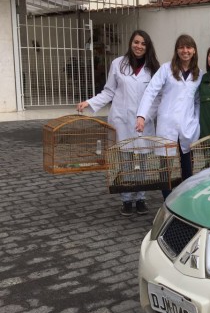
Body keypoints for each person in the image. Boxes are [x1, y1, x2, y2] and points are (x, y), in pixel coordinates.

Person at [76, 29, 160, 217]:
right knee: (126, 161)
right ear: (131, 43)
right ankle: (126, 200)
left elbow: (156, 98)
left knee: (144, 161)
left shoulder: (153, 68)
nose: (139, 46)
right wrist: (89, 102)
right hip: (122, 120)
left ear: (148, 47)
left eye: (143, 44)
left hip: (143, 123)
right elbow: (109, 92)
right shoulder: (117, 64)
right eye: (136, 42)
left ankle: (140, 198)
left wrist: (146, 116)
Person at [135, 34, 202, 200]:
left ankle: (186, 200)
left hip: (188, 126)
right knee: (165, 167)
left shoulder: (199, 74)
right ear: (176, 50)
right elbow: (151, 91)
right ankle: (167, 200)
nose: (185, 51)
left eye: (188, 47)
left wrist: (196, 122)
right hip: (167, 125)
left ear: (194, 51)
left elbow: (198, 100)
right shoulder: (166, 69)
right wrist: (141, 116)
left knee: (188, 166)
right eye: (181, 47)